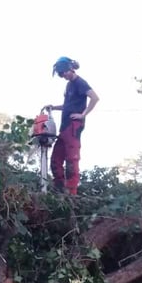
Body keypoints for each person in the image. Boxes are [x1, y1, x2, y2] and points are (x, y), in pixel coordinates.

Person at [46, 56, 99, 195]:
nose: (63, 76)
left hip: (73, 126)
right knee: (55, 160)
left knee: (71, 159)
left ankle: (71, 193)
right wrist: (54, 107)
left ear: (70, 68)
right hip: (64, 128)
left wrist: (83, 114)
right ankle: (58, 189)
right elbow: (68, 106)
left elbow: (95, 97)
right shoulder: (69, 85)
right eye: (61, 74)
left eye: (64, 72)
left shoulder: (79, 82)